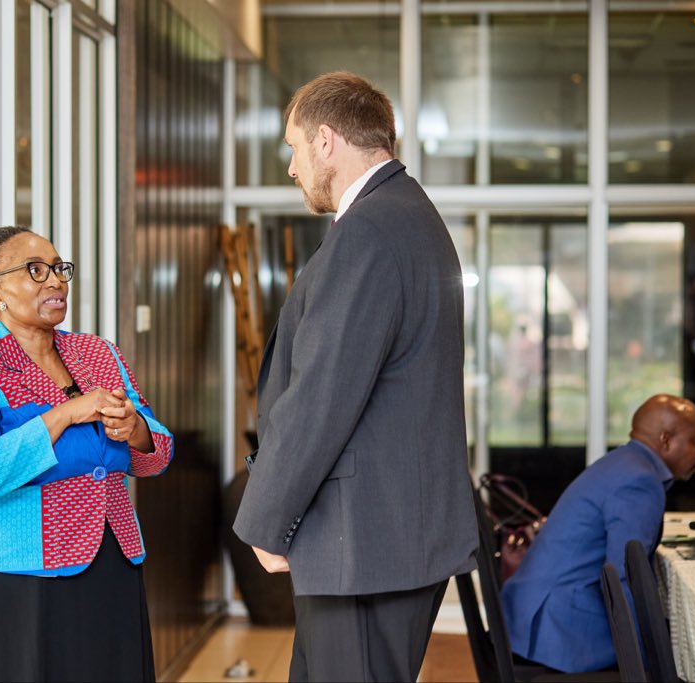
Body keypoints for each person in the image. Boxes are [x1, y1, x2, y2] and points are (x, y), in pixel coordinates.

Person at [232, 71, 478, 682]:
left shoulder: (369, 230)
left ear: (325, 140)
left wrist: (266, 519)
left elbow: (322, 395)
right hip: (379, 534)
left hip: (365, 539)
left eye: (293, 148)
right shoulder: (406, 215)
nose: (291, 169)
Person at [0, 226, 173, 682]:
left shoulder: (100, 353)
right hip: (14, 578)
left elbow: (155, 454)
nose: (56, 281)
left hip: (111, 562)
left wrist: (136, 429)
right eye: (35, 270)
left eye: (59, 269)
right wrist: (62, 415)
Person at [501, 393, 695, 674]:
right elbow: (624, 580)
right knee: (689, 658)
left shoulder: (623, 462)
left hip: (527, 616)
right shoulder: (640, 481)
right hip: (558, 632)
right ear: (666, 440)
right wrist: (647, 668)